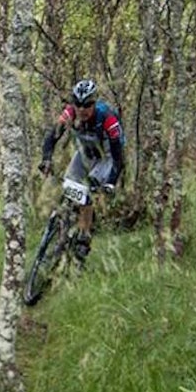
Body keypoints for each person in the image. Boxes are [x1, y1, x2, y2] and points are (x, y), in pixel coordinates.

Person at [38, 79, 125, 261]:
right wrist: (46, 159)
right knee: (69, 185)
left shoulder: (108, 119)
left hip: (106, 157)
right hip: (85, 154)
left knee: (89, 190)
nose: (82, 109)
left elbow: (118, 158)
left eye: (87, 105)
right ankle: (60, 235)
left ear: (94, 103)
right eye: (78, 104)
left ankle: (83, 238)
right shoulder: (70, 113)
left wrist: (110, 183)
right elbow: (52, 137)